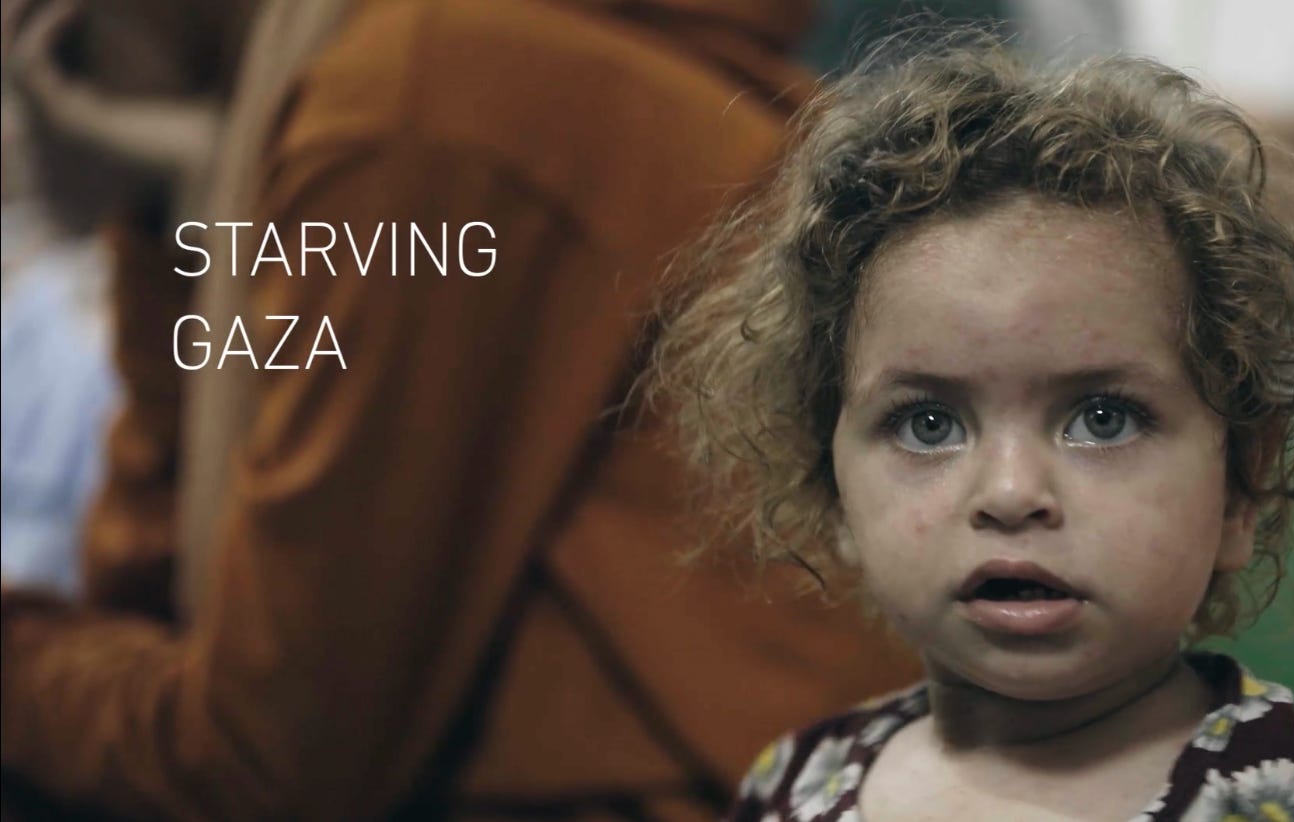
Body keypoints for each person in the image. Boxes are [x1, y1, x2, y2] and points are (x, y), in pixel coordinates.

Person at [0, 1, 921, 819]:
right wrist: (169, 226)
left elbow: (261, 768)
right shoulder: (451, 68)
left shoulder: (424, 100)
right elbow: (163, 619)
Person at [649, 27, 1294, 821]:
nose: (1012, 493)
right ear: (832, 487)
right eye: (928, 425)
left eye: (1104, 419)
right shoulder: (796, 782)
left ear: (1239, 488)